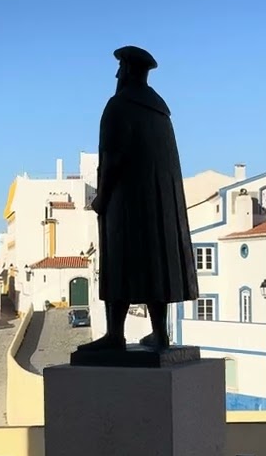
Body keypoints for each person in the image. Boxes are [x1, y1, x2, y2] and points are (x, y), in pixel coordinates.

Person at [77, 45, 199, 354]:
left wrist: (102, 197)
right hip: (159, 207)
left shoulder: (118, 106)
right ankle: (160, 333)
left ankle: (114, 334)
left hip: (126, 202)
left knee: (119, 261)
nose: (117, 74)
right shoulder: (160, 113)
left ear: (129, 71)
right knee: (155, 262)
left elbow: (112, 156)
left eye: (120, 68)